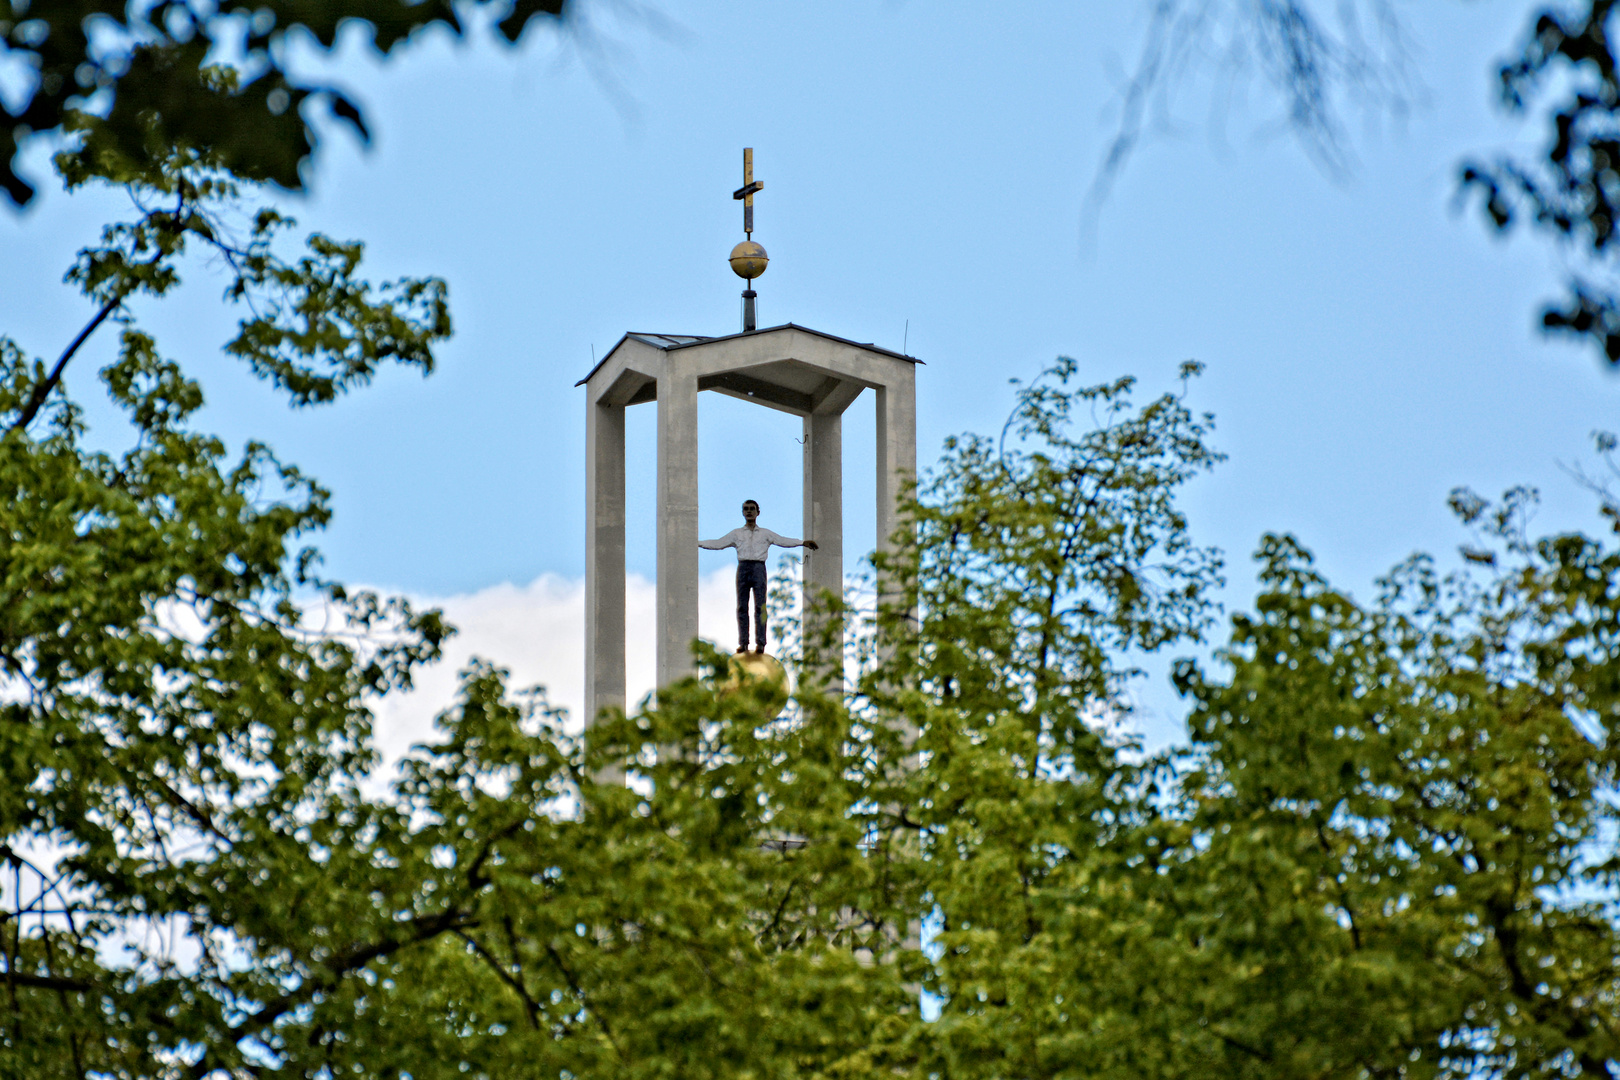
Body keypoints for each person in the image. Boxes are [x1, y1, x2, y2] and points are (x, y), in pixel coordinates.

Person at [698, 499, 817, 655]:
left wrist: (802, 543)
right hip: (743, 568)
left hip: (758, 568)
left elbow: (782, 540)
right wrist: (698, 543)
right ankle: (744, 643)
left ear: (757, 512)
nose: (749, 511)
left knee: (760, 606)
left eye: (752, 509)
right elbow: (718, 543)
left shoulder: (765, 534)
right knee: (742, 606)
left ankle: (761, 642)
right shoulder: (737, 534)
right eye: (746, 509)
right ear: (742, 512)